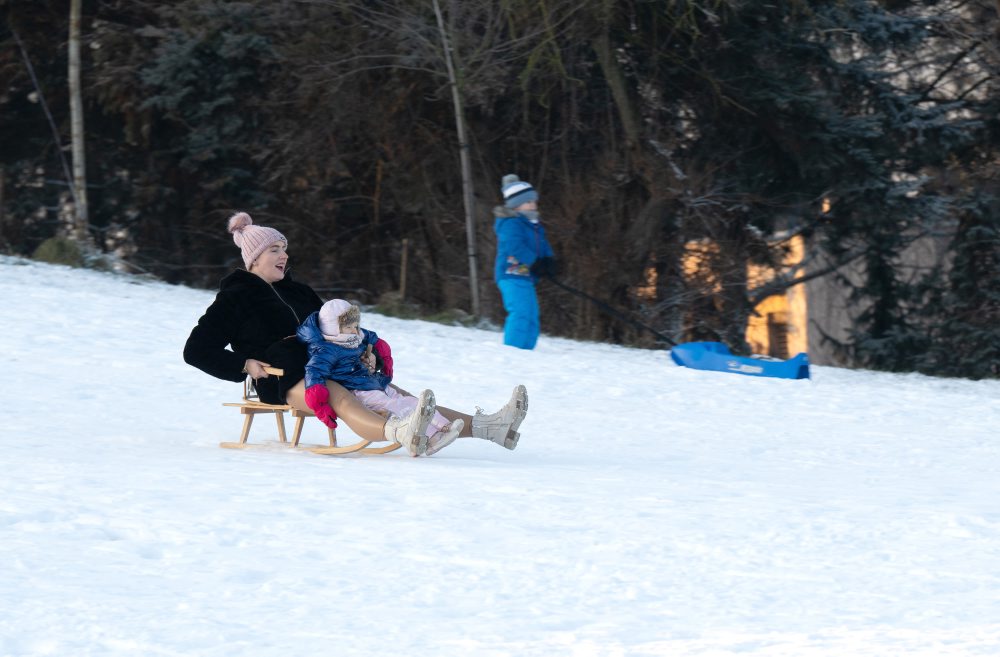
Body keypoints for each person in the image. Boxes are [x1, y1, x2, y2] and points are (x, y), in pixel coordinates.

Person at [183, 211, 528, 456]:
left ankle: (489, 427)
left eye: (284, 249)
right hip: (284, 377)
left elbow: (337, 325)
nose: (284, 255)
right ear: (254, 259)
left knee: (394, 392)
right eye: (275, 250)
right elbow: (196, 350)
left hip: (335, 362)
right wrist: (244, 364)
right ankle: (397, 430)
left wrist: (363, 348)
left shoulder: (299, 292)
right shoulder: (236, 295)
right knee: (338, 395)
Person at [296, 298, 464, 456]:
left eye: (356, 325)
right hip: (358, 390)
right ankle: (430, 439)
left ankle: (444, 427)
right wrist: (321, 407)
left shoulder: (352, 337)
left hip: (372, 383)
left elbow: (371, 337)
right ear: (334, 329)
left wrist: (383, 358)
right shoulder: (326, 350)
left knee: (410, 401)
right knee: (398, 407)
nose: (355, 330)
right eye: (349, 327)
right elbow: (314, 374)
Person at [494, 174, 556, 350]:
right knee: (520, 312)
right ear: (516, 205)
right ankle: (513, 350)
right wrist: (534, 262)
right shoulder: (510, 223)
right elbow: (515, 247)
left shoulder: (533, 224)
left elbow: (542, 244)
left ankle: (527, 351)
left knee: (531, 314)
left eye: (533, 201)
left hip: (525, 276)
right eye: (528, 202)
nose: (533, 205)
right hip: (510, 274)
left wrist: (549, 260)